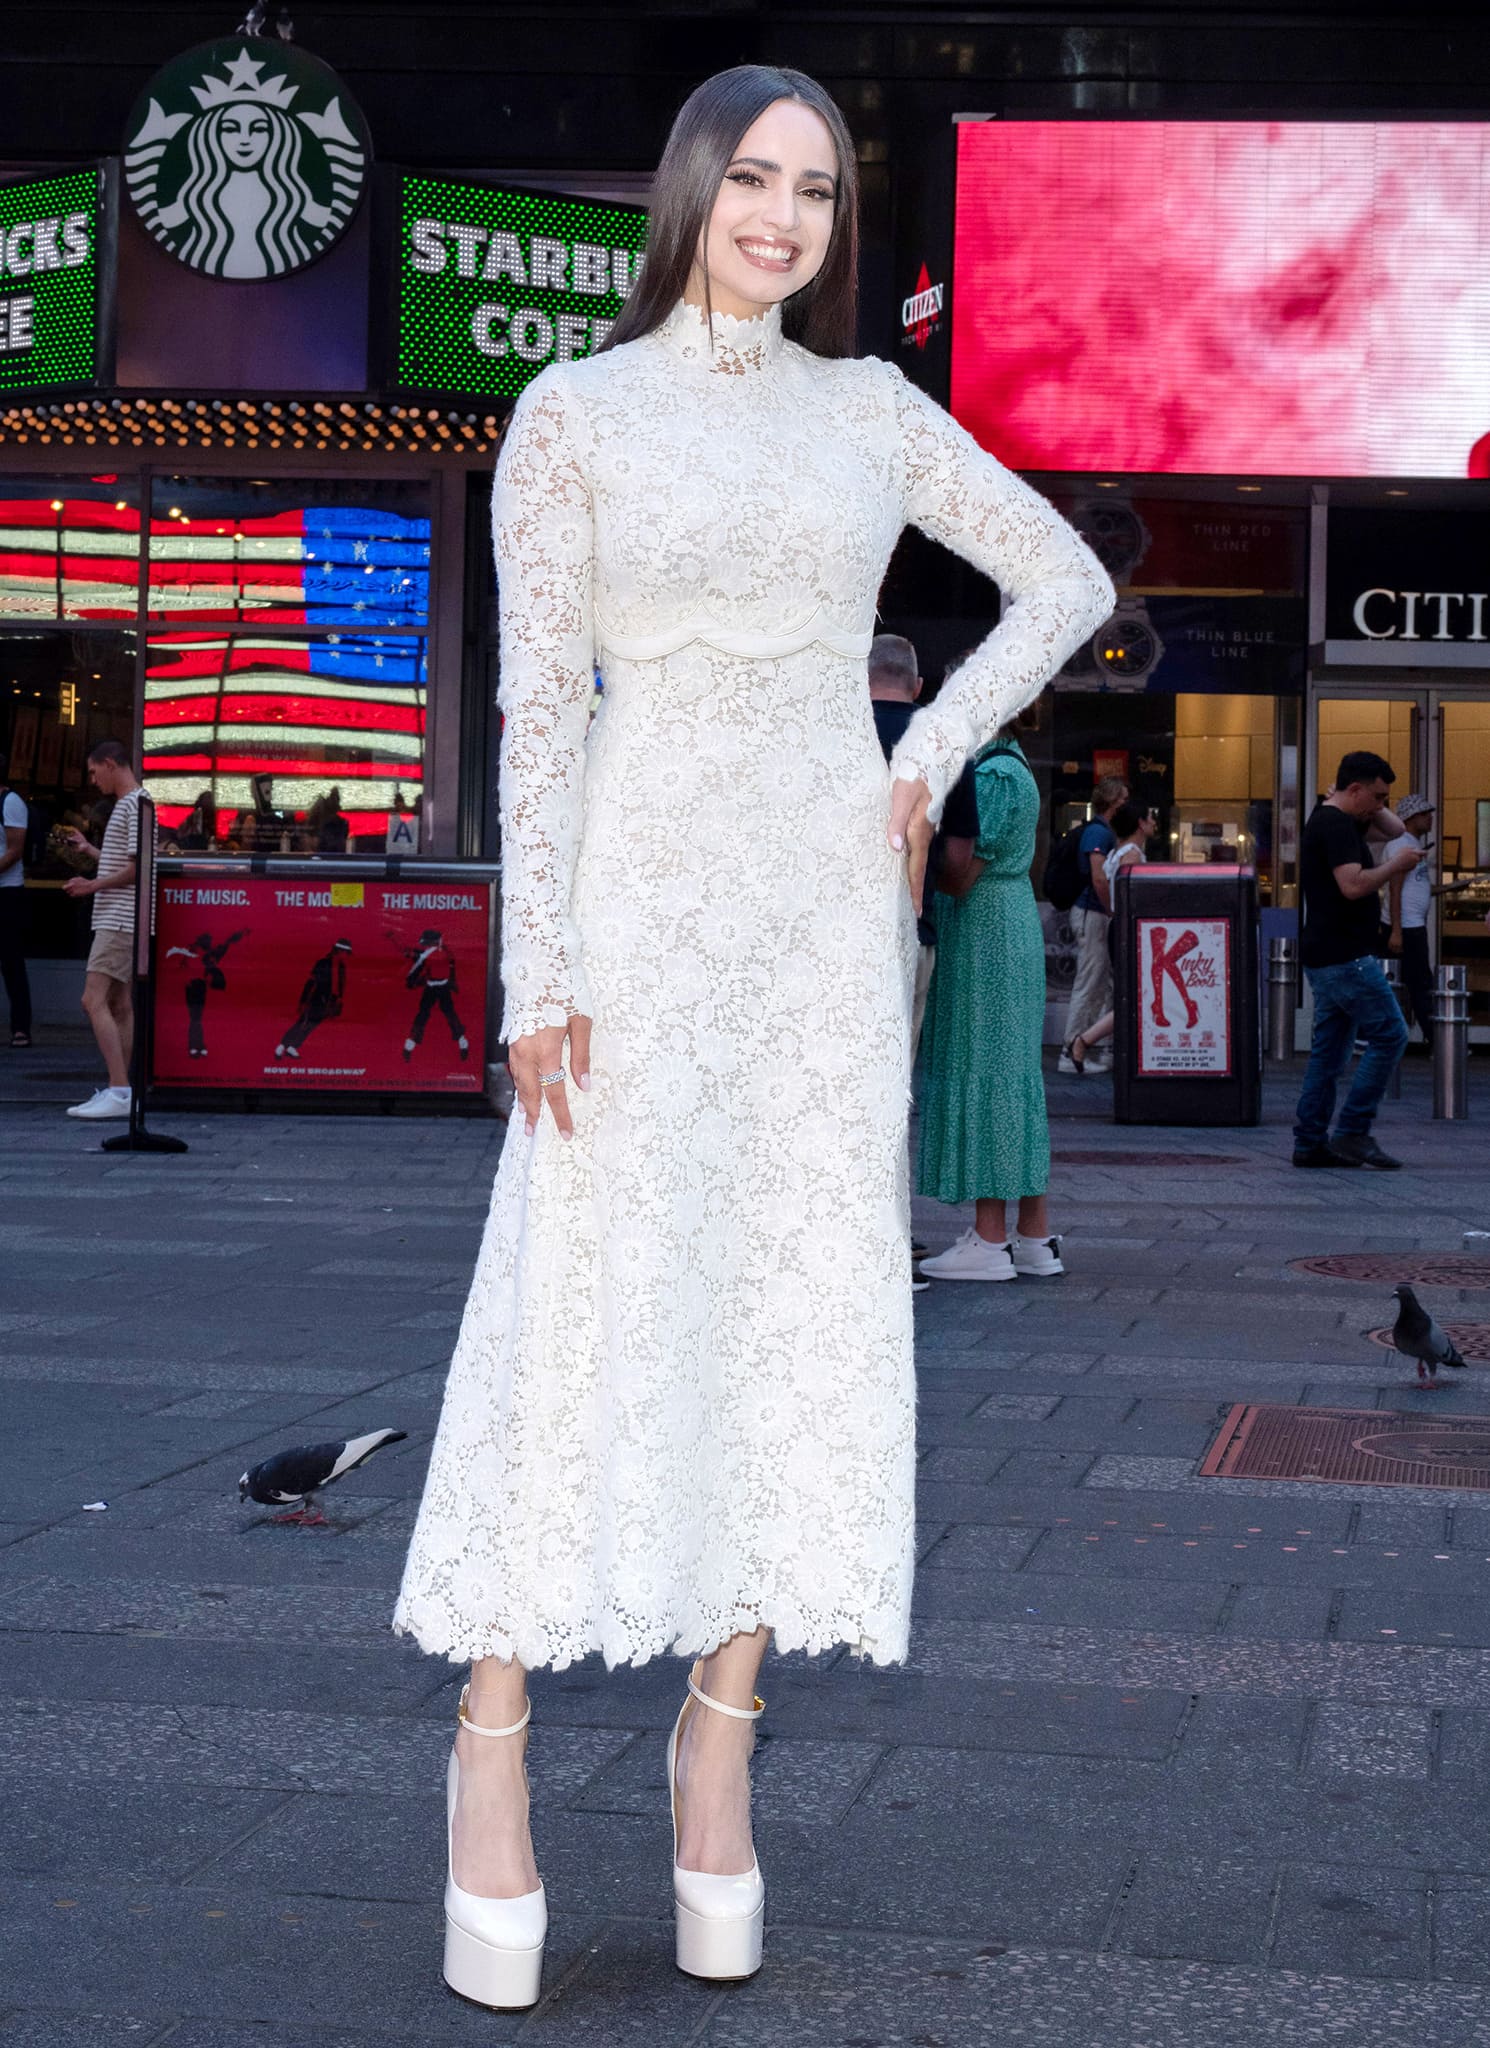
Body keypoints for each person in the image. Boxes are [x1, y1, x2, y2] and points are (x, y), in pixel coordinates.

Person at [391, 64, 1113, 2012]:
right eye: (754, 176)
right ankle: (492, 1748)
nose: (783, 213)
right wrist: (537, 972)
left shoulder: (868, 415)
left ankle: (721, 1741)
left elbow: (1064, 577)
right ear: (691, 188)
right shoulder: (576, 413)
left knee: (780, 1319)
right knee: (577, 1313)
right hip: (629, 905)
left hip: (808, 930)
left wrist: (924, 754)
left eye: (816, 186)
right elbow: (536, 714)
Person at [916, 708, 1065, 1281]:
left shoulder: (989, 776)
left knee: (987, 1069)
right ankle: (1032, 1236)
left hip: (984, 929)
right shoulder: (1015, 765)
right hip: (1009, 922)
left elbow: (959, 874)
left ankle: (990, 1239)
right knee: (1013, 1075)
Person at [1293, 751, 1419, 1170]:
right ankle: (1352, 1131)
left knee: (1328, 1056)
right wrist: (1395, 865)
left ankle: (1310, 1141)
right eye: (1377, 796)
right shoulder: (1336, 826)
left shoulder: (1334, 817)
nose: (1382, 805)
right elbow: (1352, 885)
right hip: (1346, 957)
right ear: (1354, 789)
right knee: (1391, 1034)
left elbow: (1397, 827)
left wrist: (1375, 806)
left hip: (1328, 953)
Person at [60, 739, 144, 1120]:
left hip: (118, 918)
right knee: (118, 1005)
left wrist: (89, 885)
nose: (93, 781)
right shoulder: (135, 804)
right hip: (126, 917)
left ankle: (119, 1088)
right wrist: (91, 850)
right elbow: (128, 863)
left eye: (94, 772)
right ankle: (122, 1091)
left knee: (92, 1001)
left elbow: (135, 870)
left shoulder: (133, 804)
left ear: (110, 764)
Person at [867, 633, 935, 1057]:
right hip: (911, 926)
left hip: (834, 930)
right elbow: (961, 854)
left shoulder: (830, 732)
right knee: (895, 1071)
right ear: (918, 685)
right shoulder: (940, 741)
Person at [1061, 802, 1158, 1070]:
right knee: (1134, 995)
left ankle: (1102, 1046)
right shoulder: (1132, 855)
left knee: (1126, 992)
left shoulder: (1119, 851)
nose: (1155, 821)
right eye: (1151, 815)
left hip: (1118, 925)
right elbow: (1129, 894)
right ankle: (1082, 1042)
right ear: (1140, 822)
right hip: (1126, 925)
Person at [1382, 792, 1470, 1046]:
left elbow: (1417, 887)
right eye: (1424, 814)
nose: (1430, 818)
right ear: (1410, 818)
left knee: (1418, 982)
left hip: (1412, 926)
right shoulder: (1402, 846)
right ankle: (1439, 1042)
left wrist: (1450, 888)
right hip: (1407, 928)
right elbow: (1395, 888)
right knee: (1420, 984)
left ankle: (1433, 1039)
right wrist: (1397, 930)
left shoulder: (1412, 845)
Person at [1056, 774, 1129, 1074]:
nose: (1127, 804)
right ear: (1113, 802)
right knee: (1089, 983)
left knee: (1101, 983)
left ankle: (1092, 1047)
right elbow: (1099, 878)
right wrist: (1113, 910)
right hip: (1094, 914)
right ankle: (1070, 1051)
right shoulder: (1099, 834)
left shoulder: (1102, 831)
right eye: (1124, 799)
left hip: (1094, 913)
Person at [0, 748, 33, 1048]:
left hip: (7, 891)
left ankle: (20, 1027)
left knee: (11, 961)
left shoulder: (10, 802)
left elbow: (14, 850)